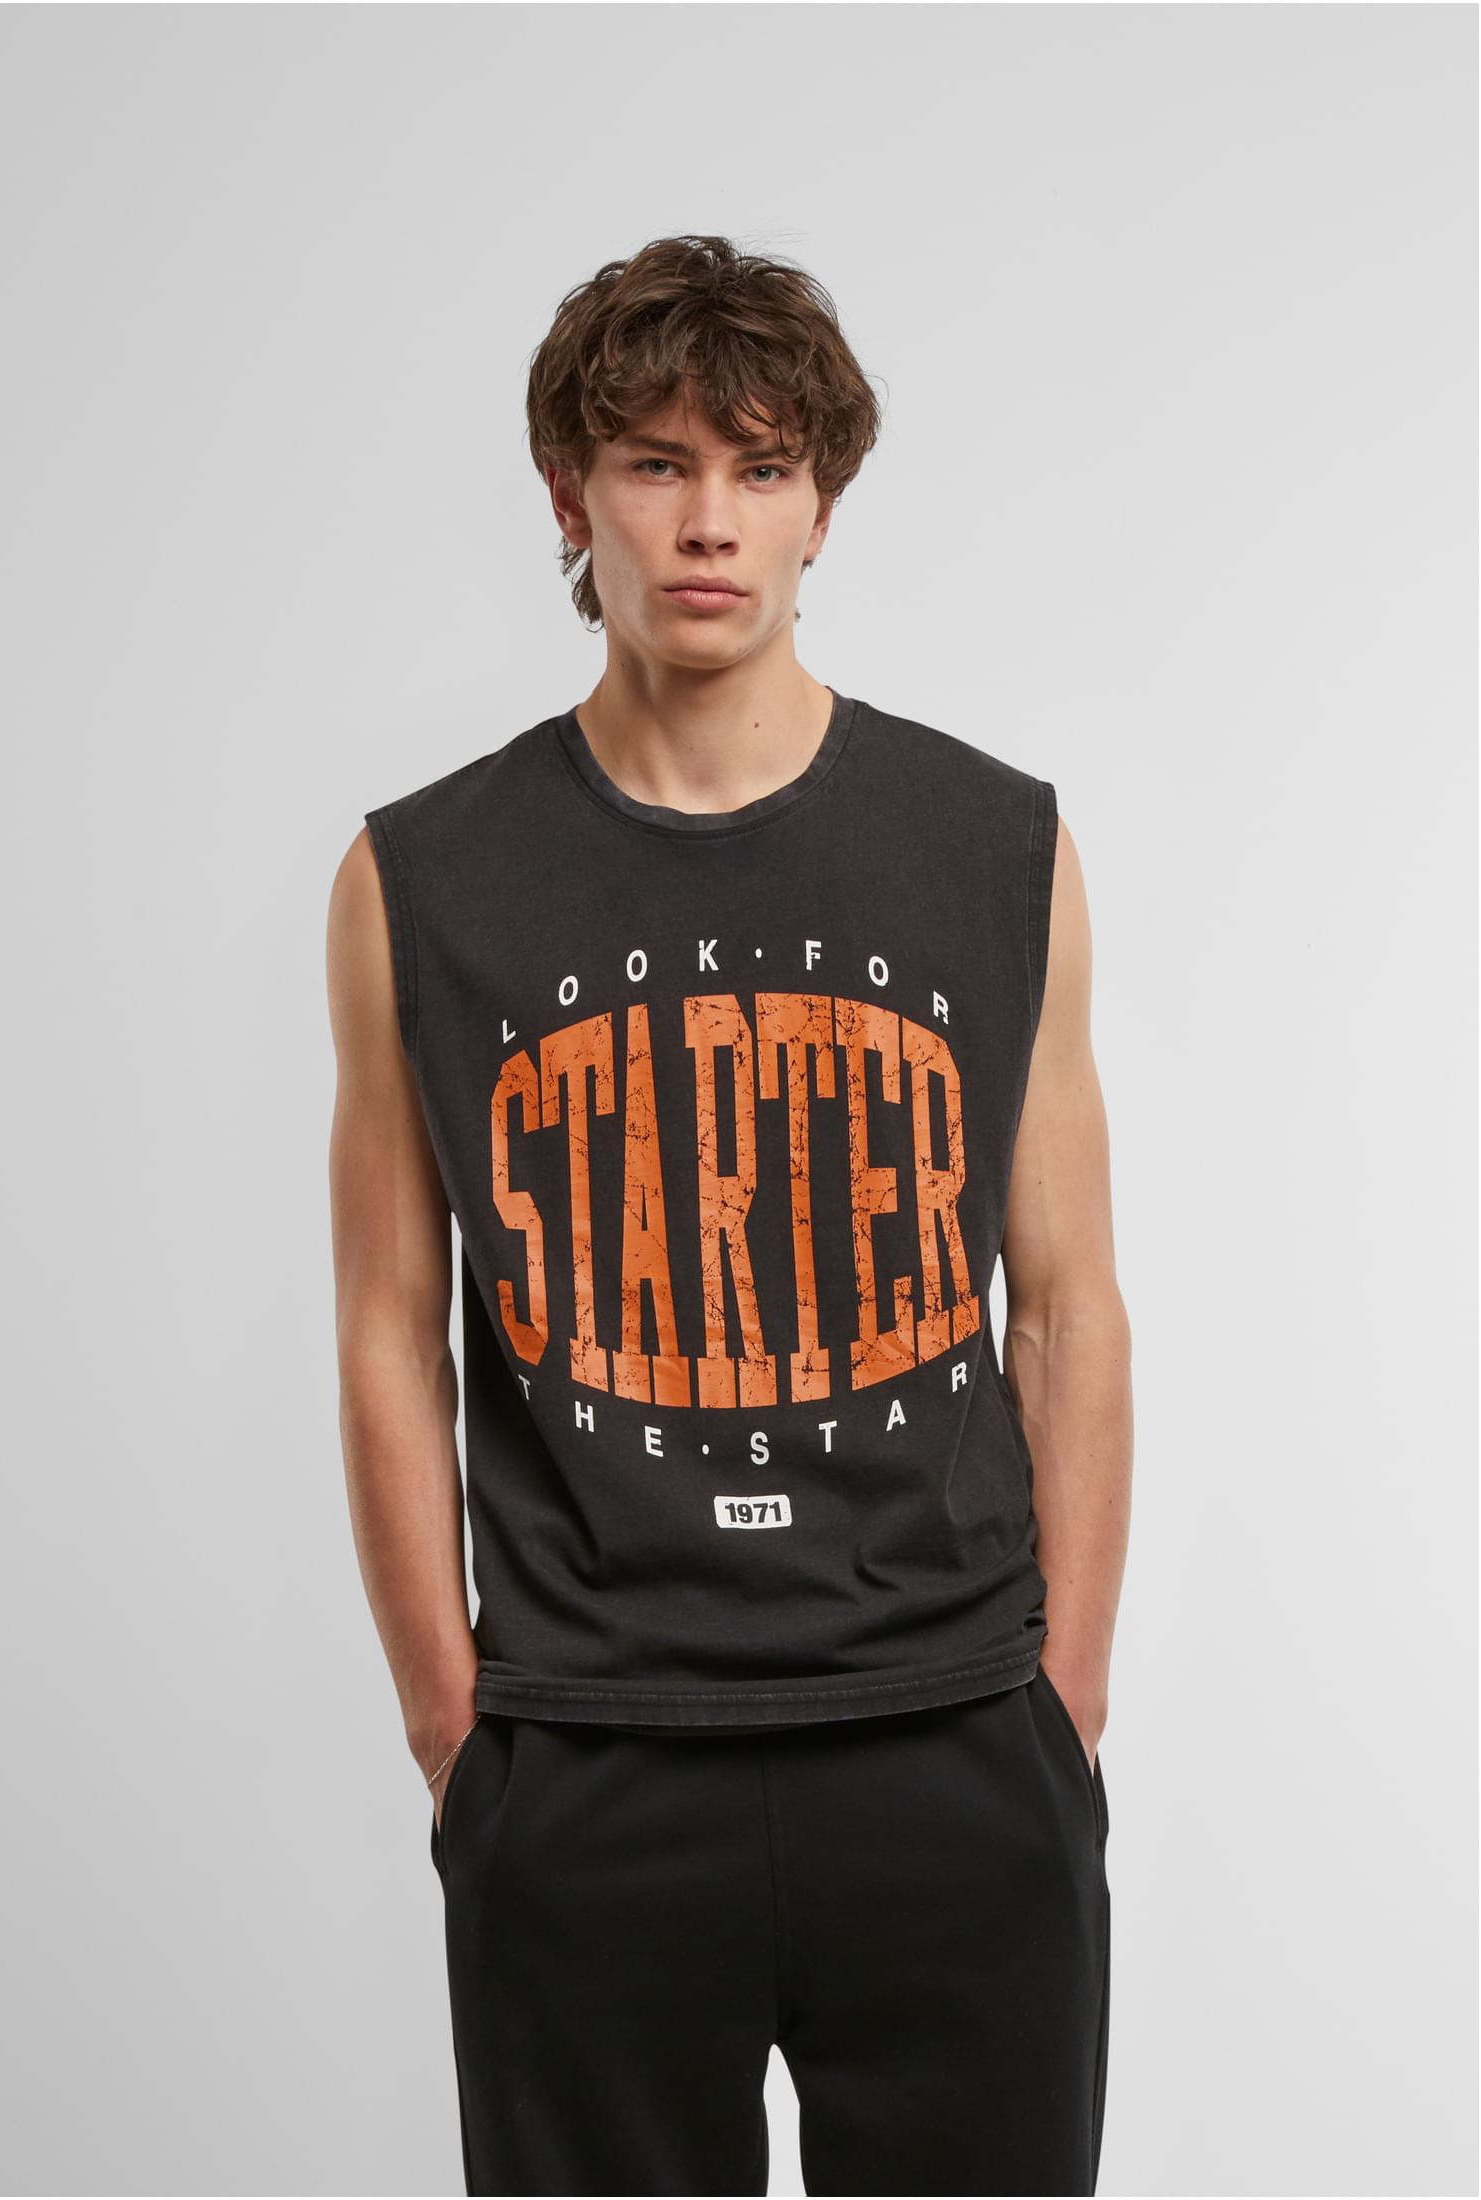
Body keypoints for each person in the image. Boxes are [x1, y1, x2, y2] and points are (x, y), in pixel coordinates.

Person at [326, 234, 1132, 2198]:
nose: (709, 522)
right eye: (658, 463)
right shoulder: (421, 878)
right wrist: (456, 1734)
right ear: (570, 493)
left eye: (763, 468)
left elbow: (1067, 1306)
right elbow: (386, 1330)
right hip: (589, 1761)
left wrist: (1063, 1708)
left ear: (821, 506)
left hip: (951, 1740)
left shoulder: (995, 845)